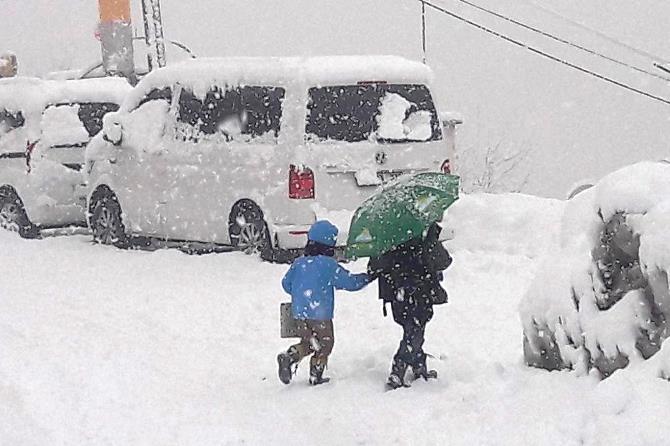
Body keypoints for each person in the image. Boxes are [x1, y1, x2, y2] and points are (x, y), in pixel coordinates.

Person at [277, 220, 371, 386]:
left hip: (299, 314)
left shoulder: (299, 263)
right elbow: (349, 282)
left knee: (308, 342)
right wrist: (368, 277)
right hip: (320, 314)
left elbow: (286, 284)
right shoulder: (328, 265)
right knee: (325, 344)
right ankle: (316, 375)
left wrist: (301, 294)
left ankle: (290, 356)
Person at [367, 222, 452, 390]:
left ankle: (419, 366)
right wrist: (432, 239)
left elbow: (374, 267)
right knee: (415, 331)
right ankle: (398, 371)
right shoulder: (423, 239)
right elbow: (443, 261)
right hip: (420, 294)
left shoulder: (388, 241)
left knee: (412, 330)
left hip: (398, 296)